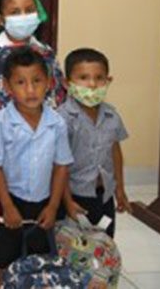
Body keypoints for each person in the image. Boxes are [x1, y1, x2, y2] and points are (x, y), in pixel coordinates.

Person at [0, 47, 74, 289]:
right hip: (9, 199)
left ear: (49, 82)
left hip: (45, 200)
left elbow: (61, 166)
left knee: (40, 256)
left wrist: (53, 206)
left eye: (37, 81)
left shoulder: (57, 123)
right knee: (1, 256)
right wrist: (8, 206)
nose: (30, 90)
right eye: (21, 83)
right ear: (7, 86)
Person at [59, 48, 129, 238]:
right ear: (67, 83)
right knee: (74, 246)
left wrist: (120, 189)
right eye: (83, 77)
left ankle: (101, 269)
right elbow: (59, 165)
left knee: (104, 242)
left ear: (108, 81)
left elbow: (115, 152)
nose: (92, 84)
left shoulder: (112, 115)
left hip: (104, 193)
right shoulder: (62, 119)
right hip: (74, 195)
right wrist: (66, 201)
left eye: (99, 78)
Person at [0, 0, 65, 110]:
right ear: (0, 19)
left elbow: (57, 96)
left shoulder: (46, 52)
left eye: (29, 10)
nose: (23, 16)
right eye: (15, 12)